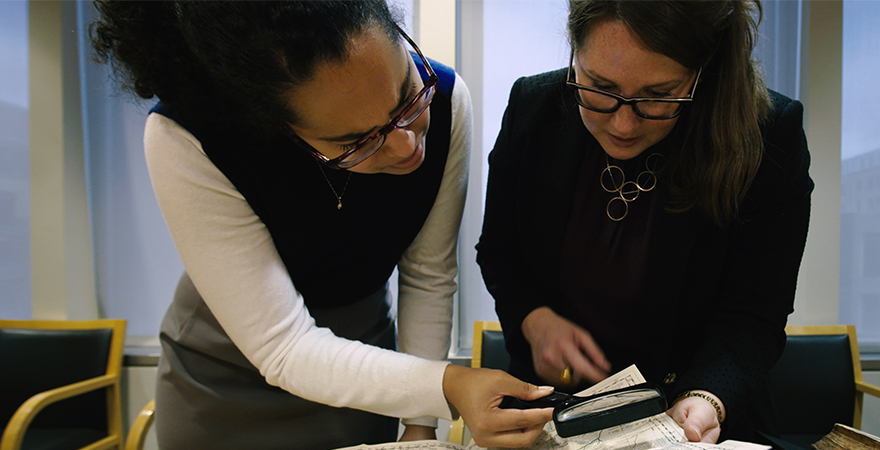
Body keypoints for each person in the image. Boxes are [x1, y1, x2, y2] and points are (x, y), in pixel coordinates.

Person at [90, 2, 552, 449]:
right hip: (225, 382)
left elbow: (429, 276)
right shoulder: (187, 138)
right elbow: (282, 348)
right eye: (356, 140)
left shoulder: (447, 97)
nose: (407, 145)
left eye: (406, 96)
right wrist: (447, 385)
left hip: (369, 371)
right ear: (277, 127)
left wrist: (418, 425)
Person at [476, 0, 813, 445]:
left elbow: (753, 316)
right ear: (573, 52)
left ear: (700, 72)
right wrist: (535, 319)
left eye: (657, 96)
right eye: (599, 87)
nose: (623, 123)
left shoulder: (767, 134)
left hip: (686, 415)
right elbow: (500, 253)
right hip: (555, 413)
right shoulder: (532, 109)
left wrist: (708, 398)